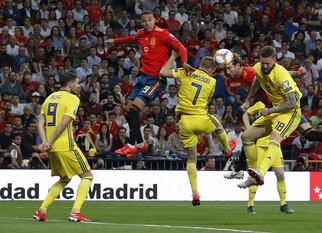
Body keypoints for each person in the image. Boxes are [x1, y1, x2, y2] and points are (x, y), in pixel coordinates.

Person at [106, 11, 188, 158]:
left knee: (135, 108)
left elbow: (181, 48)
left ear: (154, 21)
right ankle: (139, 144)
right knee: (127, 109)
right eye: (144, 21)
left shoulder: (163, 34)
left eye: (150, 20)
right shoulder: (141, 34)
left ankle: (132, 145)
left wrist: (185, 63)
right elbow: (131, 38)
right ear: (142, 23)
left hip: (156, 79)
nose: (147, 23)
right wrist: (115, 41)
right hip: (142, 77)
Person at [160, 51, 236, 207]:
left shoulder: (186, 72)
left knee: (191, 159)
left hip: (185, 121)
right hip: (201, 118)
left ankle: (195, 193)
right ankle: (227, 150)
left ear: (201, 65)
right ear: (211, 70)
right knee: (217, 123)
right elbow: (207, 101)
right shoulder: (212, 81)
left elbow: (162, 72)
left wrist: (174, 57)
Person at [235, 46, 302, 213]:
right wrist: (248, 100)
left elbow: (292, 103)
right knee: (246, 137)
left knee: (274, 139)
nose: (264, 66)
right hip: (275, 110)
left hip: (290, 112)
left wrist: (270, 110)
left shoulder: (281, 74)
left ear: (274, 61)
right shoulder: (258, 68)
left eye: (267, 63)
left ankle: (260, 173)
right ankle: (253, 176)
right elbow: (257, 80)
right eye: (262, 62)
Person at [33, 72, 93, 223]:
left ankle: (41, 211)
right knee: (87, 176)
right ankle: (75, 212)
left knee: (65, 178)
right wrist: (50, 141)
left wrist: (46, 142)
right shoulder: (73, 98)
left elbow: (40, 122)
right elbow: (64, 122)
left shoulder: (49, 98)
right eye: (77, 83)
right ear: (71, 84)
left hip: (52, 149)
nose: (79, 86)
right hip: (66, 145)